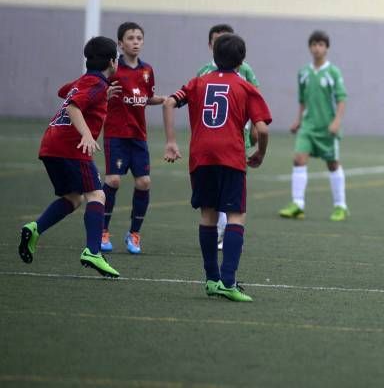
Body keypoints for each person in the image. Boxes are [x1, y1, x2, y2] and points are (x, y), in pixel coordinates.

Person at [163, 33, 271, 302]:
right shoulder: (246, 87)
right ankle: (229, 282)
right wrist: (260, 152)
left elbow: (168, 102)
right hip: (230, 157)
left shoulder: (198, 82)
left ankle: (211, 280)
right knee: (236, 216)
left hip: (200, 156)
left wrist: (171, 141)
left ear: (214, 56)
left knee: (208, 216)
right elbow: (262, 128)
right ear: (242, 60)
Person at [18, 36, 121, 278]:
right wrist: (86, 134)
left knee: (73, 198)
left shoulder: (89, 82)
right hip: (70, 147)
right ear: (112, 62)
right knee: (97, 194)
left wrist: (101, 91)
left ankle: (35, 228)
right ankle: (93, 251)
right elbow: (74, 105)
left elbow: (64, 91)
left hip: (50, 144)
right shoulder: (97, 85)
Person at [101, 22, 165, 255]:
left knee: (144, 182)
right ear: (120, 43)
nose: (135, 42)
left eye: (139, 38)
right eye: (130, 38)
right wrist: (104, 95)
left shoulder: (147, 70)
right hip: (116, 135)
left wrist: (166, 100)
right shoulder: (112, 70)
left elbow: (146, 98)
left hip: (138, 136)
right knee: (114, 180)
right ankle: (102, 229)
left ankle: (134, 233)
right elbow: (97, 94)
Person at [197, 24, 261, 250]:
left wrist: (254, 126)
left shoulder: (245, 72)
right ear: (210, 46)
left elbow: (256, 101)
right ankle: (224, 228)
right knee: (220, 189)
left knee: (229, 185)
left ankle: (223, 229)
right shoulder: (203, 74)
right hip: (212, 139)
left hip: (237, 134)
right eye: (216, 41)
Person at [278, 30, 349, 221]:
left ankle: (340, 206)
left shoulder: (333, 72)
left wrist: (336, 121)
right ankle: (297, 204)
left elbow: (342, 99)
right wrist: (298, 120)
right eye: (314, 44)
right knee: (298, 159)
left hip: (327, 127)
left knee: (333, 164)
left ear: (326, 48)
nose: (317, 48)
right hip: (308, 126)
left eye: (321, 44)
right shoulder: (303, 73)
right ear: (310, 47)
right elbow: (302, 100)